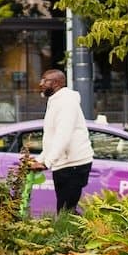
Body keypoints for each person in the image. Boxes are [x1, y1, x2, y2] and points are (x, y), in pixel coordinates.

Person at [38, 68, 94, 214]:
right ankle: (78, 235)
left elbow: (63, 134)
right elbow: (51, 137)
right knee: (66, 210)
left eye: (45, 80)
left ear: (56, 83)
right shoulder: (56, 101)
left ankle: (82, 235)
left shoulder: (66, 102)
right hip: (65, 164)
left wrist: (47, 162)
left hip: (73, 164)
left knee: (65, 211)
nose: (41, 83)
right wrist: (42, 159)